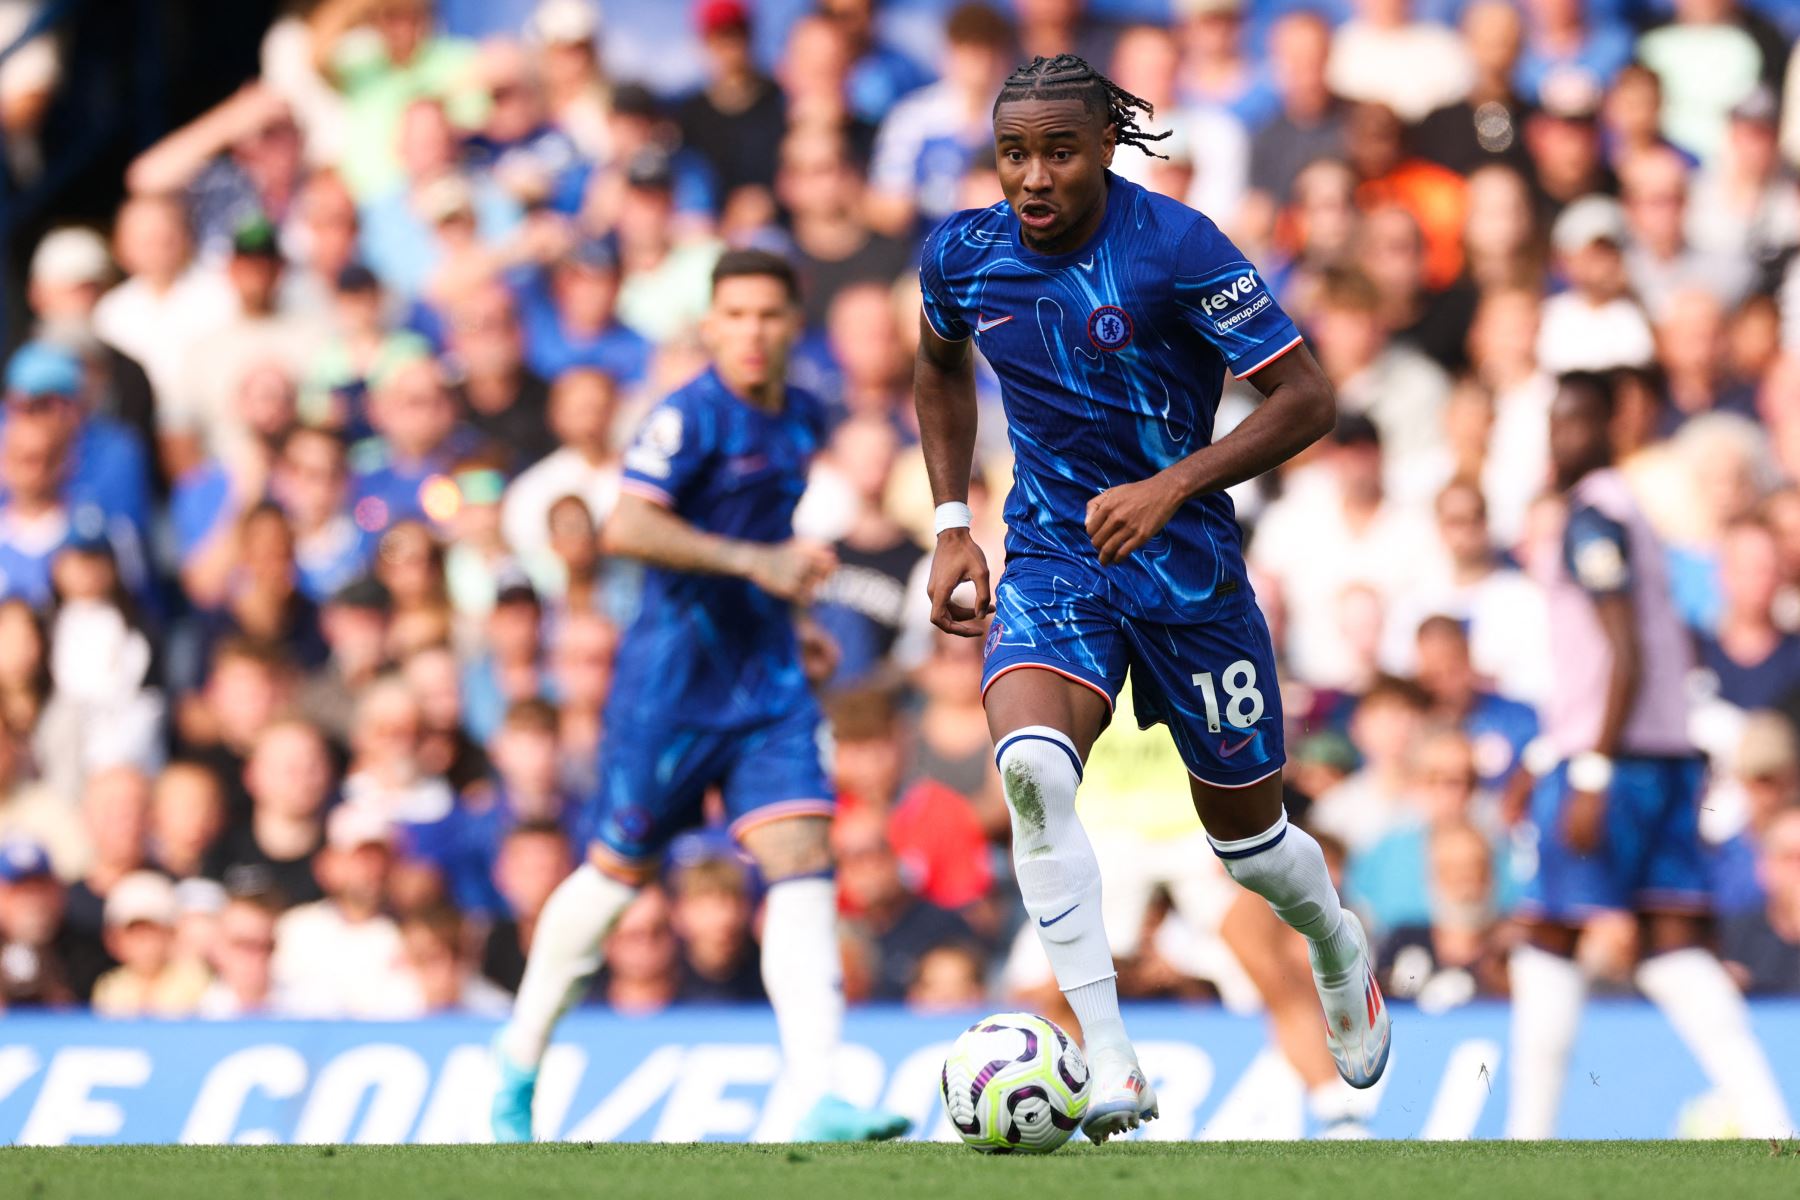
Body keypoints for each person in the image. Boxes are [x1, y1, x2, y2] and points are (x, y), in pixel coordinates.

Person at [913, 54, 1387, 1143]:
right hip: (1054, 557)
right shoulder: (965, 254)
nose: (1034, 176)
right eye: (1015, 153)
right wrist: (950, 522)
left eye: (1059, 151)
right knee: (1031, 771)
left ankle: (1335, 944)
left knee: (1253, 846)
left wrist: (1173, 484)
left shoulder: (1177, 247)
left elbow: (1308, 396)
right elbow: (935, 366)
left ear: (1107, 147)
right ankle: (1113, 1063)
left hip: (1187, 572)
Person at [490, 250, 908, 1144]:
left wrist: (789, 618)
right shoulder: (687, 417)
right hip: (670, 689)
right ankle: (518, 1058)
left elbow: (767, 534)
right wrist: (756, 565)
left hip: (766, 682)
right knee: (616, 877)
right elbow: (626, 524)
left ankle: (815, 1095)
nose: (752, 332)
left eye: (768, 315)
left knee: (802, 853)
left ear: (795, 325)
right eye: (736, 315)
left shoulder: (804, 415)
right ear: (711, 325)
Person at [1503, 371, 1792, 1138]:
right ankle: (1771, 1122)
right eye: (1555, 422)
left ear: (1608, 427)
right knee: (1672, 941)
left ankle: (1527, 1137)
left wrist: (1587, 770)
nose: (1563, 437)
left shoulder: (1592, 518)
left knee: (1549, 932)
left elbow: (1621, 653)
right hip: (1661, 753)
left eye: (1578, 421)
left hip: (1614, 757)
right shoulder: (1635, 512)